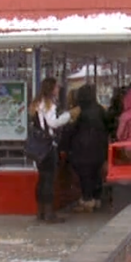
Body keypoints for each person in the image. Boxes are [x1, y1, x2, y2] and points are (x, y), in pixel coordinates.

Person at [30, 77, 80, 223]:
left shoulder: (36, 103)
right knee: (49, 180)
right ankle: (49, 214)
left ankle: (41, 212)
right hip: (48, 146)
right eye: (57, 87)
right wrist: (68, 115)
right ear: (51, 89)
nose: (58, 89)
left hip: (38, 146)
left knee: (42, 179)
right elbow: (53, 122)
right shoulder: (48, 104)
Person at [62, 84, 109, 213]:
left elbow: (69, 130)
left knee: (85, 176)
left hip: (81, 149)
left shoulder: (78, 111)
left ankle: (88, 201)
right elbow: (108, 126)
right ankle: (96, 198)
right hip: (99, 148)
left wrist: (64, 145)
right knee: (96, 174)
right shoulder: (100, 109)